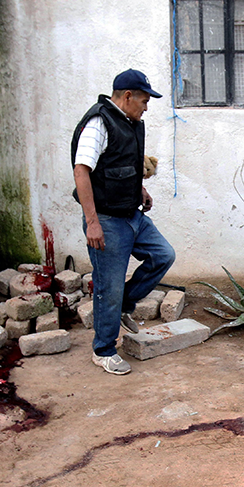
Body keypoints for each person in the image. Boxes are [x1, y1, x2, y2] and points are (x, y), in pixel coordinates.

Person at [71, 69, 175, 375]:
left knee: (163, 255)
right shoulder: (98, 123)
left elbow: (122, 166)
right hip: (106, 219)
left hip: (132, 214)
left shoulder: (131, 123)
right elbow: (82, 171)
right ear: (127, 96)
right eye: (143, 100)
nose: (146, 107)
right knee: (109, 286)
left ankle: (123, 308)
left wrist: (139, 189)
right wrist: (92, 222)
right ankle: (103, 350)